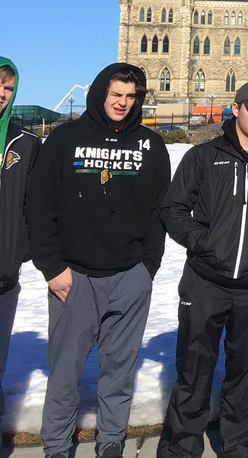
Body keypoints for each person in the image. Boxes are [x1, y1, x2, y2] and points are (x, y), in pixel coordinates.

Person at [27, 63, 170, 458]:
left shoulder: (151, 146)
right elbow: (40, 208)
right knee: (65, 373)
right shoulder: (64, 140)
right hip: (74, 277)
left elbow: (160, 210)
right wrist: (52, 268)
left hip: (129, 277)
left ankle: (110, 443)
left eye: (130, 97)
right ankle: (56, 446)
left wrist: (147, 268)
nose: (123, 103)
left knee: (119, 373)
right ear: (100, 94)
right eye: (116, 95)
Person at [158, 81, 248, 458]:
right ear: (236, 108)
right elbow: (173, 210)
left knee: (245, 370)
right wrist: (205, 244)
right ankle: (181, 445)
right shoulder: (203, 156)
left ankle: (238, 442)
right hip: (205, 281)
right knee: (194, 368)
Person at [0, 58, 39, 432]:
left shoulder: (25, 144)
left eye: (9, 88)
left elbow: (36, 204)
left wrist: (19, 249)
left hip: (4, 276)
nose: (2, 93)